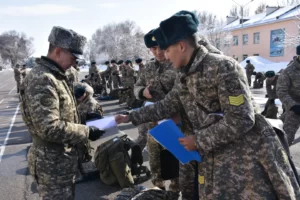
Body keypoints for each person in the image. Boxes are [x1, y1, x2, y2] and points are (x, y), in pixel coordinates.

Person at [116, 11, 300, 199]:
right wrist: (130, 117)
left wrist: (198, 140)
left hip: (242, 161)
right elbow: (167, 105)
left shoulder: (223, 67)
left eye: (166, 50)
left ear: (181, 46)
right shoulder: (184, 75)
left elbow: (242, 118)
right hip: (211, 157)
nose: (165, 56)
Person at [20, 26, 105, 199]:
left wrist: (85, 118)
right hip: (51, 166)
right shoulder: (42, 79)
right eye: (73, 58)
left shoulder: (57, 76)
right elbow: (49, 127)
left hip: (62, 162)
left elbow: (63, 112)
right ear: (58, 51)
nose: (75, 63)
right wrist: (87, 131)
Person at [132, 29, 180, 198]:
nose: (157, 52)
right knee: (155, 161)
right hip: (153, 123)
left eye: (159, 47)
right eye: (153, 49)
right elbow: (136, 86)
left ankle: (174, 192)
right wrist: (141, 92)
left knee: (176, 160)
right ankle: (158, 192)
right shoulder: (149, 67)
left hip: (175, 121)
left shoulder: (177, 63)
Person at [277, 45, 300, 146]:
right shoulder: (289, 71)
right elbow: (281, 91)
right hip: (295, 110)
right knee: (286, 139)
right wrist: (293, 106)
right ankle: (282, 158)